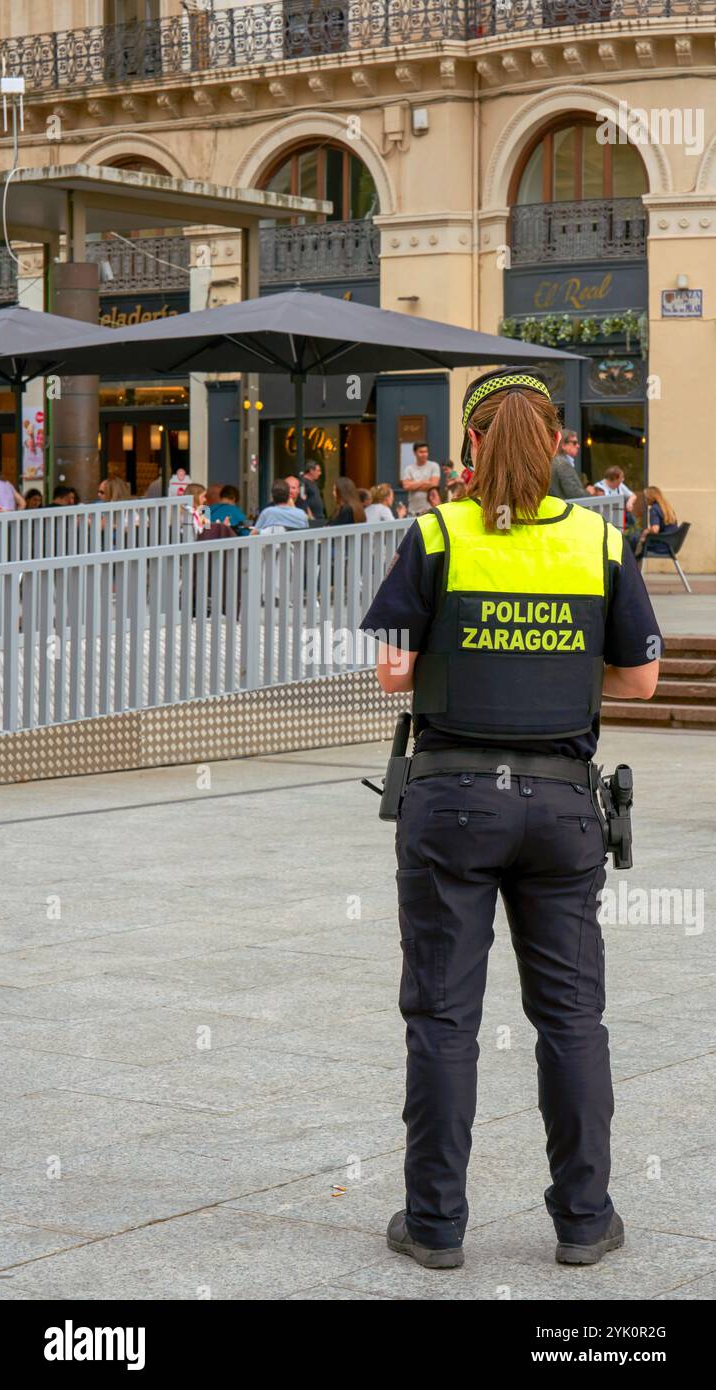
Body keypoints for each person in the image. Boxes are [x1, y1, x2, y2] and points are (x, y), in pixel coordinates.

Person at [360, 368, 661, 1271]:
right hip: (565, 805)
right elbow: (641, 679)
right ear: (559, 446)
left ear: (473, 444)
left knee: (444, 1018)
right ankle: (583, 1221)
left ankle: (437, 1225)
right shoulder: (601, 542)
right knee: (572, 1019)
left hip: (451, 799)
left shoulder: (436, 534)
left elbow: (393, 675)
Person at [630, 485, 679, 562]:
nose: (645, 500)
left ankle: (630, 564)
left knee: (633, 538)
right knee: (637, 538)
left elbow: (655, 529)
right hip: (671, 544)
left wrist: (646, 531)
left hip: (661, 546)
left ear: (650, 498)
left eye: (645, 497)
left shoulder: (654, 509)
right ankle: (634, 562)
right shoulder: (667, 508)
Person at [401, 441, 441, 516]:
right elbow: (406, 486)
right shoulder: (409, 469)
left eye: (426, 452)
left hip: (430, 511)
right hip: (413, 512)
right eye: (421, 452)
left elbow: (434, 485)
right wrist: (424, 482)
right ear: (415, 453)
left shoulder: (434, 466)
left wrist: (413, 485)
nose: (424, 454)